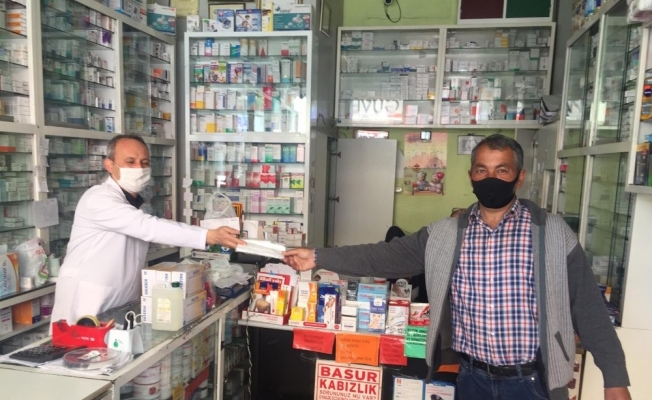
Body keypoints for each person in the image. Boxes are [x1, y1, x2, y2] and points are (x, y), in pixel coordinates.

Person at [284, 134, 631, 400]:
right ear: (471, 176)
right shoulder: (445, 234)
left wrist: (614, 378)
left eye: (501, 170)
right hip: (471, 379)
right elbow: (384, 257)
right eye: (482, 170)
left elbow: (588, 308)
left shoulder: (552, 233)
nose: (490, 178)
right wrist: (318, 257)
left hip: (533, 381)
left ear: (519, 176)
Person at [51, 135, 246, 326]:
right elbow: (148, 227)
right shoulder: (98, 199)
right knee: (79, 345)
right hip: (87, 301)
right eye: (130, 162)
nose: (139, 168)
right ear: (109, 165)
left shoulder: (134, 203)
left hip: (119, 300)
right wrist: (207, 235)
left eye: (144, 163)